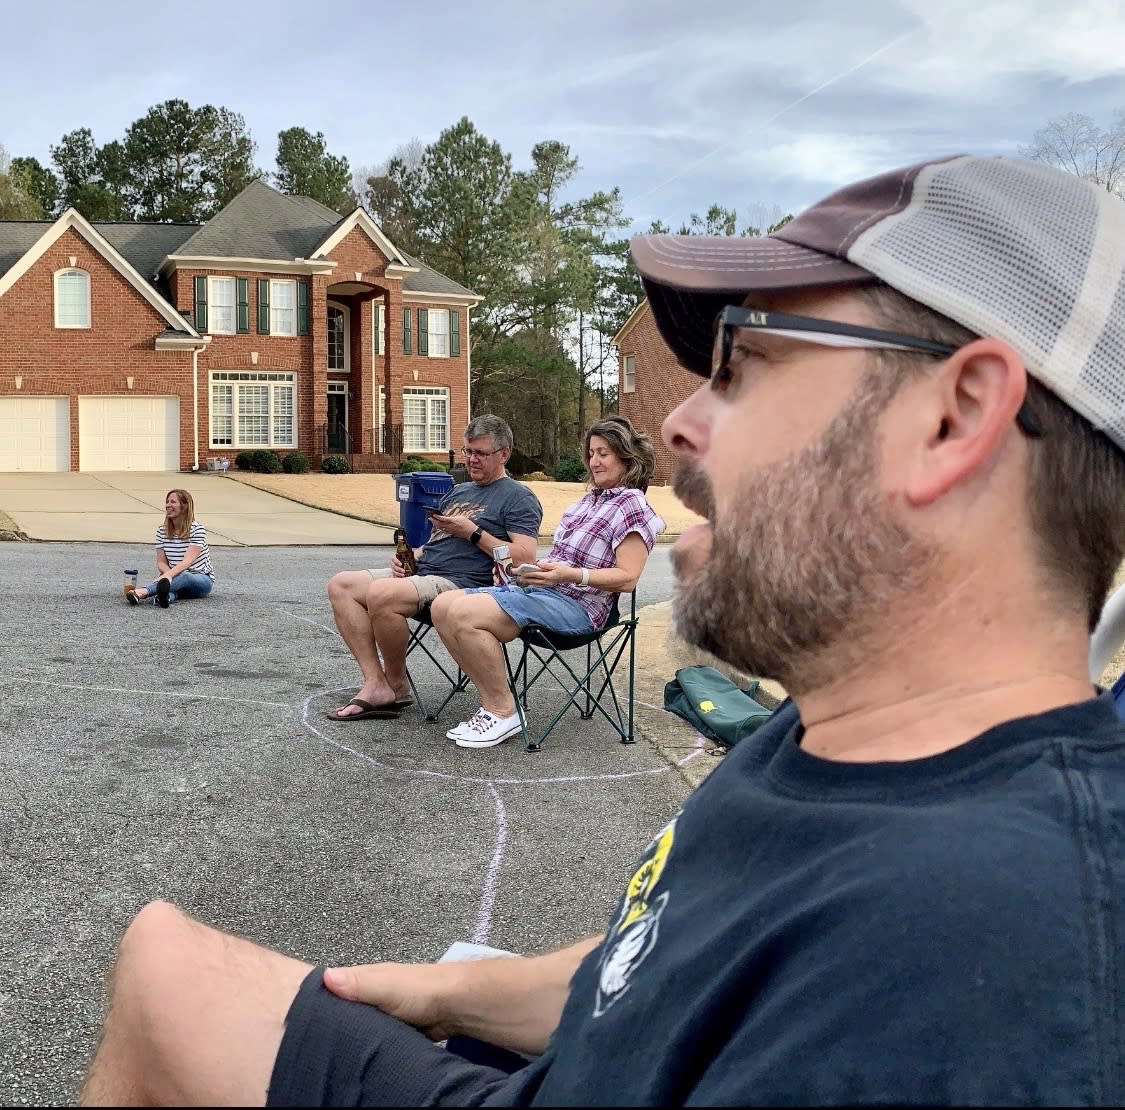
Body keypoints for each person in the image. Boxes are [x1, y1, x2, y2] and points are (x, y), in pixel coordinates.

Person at [80, 155, 1125, 1106]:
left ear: (951, 417)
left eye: (744, 363)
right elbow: (660, 958)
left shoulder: (998, 939)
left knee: (165, 970)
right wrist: (452, 990)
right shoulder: (836, 748)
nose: (676, 423)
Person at [431, 416, 665, 749]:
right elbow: (560, 560)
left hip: (580, 609)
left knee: (465, 614)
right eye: (591, 453)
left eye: (604, 453)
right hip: (544, 592)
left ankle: (504, 711)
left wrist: (569, 574)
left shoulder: (632, 505)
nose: (594, 461)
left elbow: (627, 579)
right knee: (442, 606)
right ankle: (492, 705)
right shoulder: (586, 502)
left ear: (626, 458)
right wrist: (534, 569)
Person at [325, 414, 542, 719]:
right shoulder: (459, 492)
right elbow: (435, 542)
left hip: (464, 583)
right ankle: (375, 682)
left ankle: (396, 684)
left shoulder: (518, 497)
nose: (471, 460)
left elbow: (524, 556)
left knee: (383, 594)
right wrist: (408, 558)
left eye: (480, 453)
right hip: (424, 573)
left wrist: (473, 532)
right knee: (341, 585)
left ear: (504, 454)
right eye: (467, 451)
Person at [126, 488, 214, 608]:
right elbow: (161, 562)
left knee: (184, 576)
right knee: (172, 588)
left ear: (185, 506)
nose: (168, 505)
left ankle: (142, 592)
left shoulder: (197, 529)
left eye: (173, 502)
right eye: (167, 502)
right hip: (174, 577)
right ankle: (164, 598)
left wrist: (168, 577)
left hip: (201, 580)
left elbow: (187, 562)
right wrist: (168, 578)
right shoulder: (161, 531)